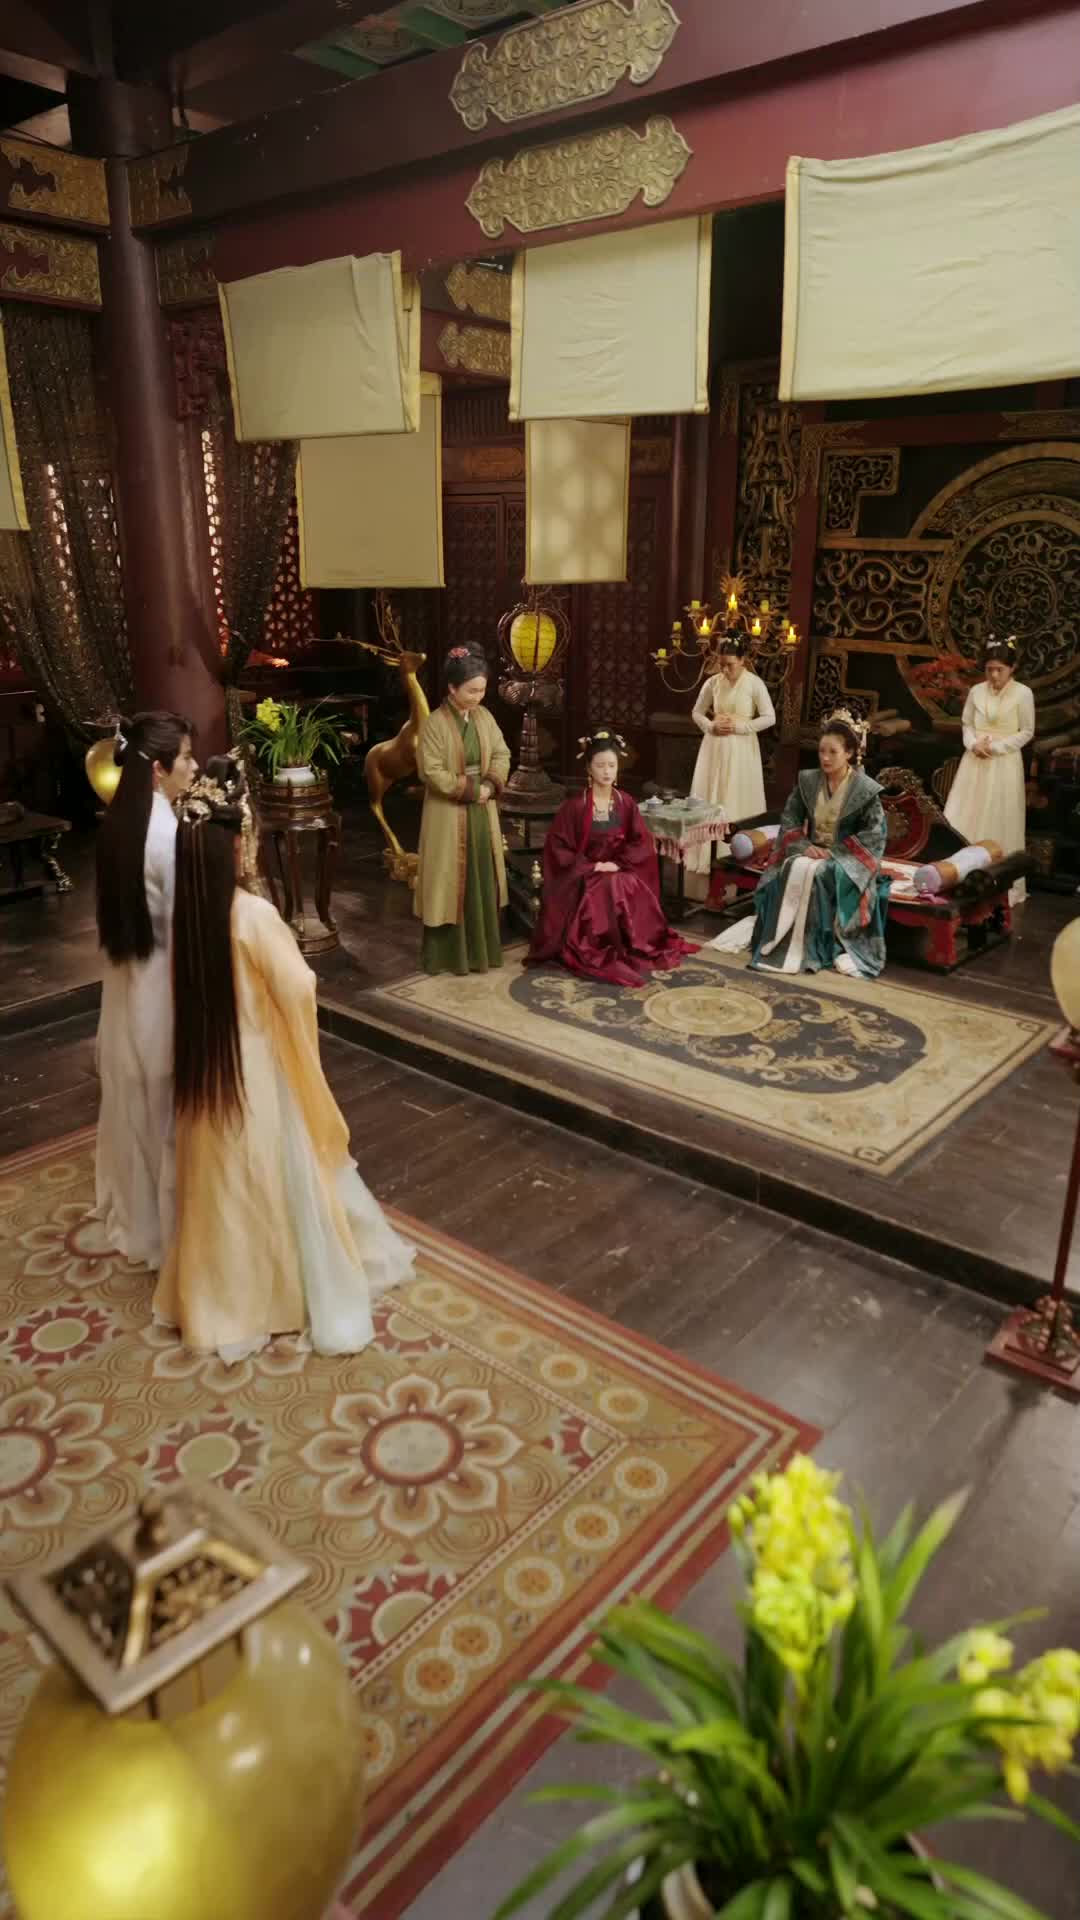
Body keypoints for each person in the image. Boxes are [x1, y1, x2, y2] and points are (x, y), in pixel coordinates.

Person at [154, 757, 413, 1361]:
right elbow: (299, 987)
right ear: (235, 845)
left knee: (217, 1182)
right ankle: (272, 1297)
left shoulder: (189, 914)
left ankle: (213, 1293)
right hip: (253, 1068)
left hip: (205, 1067)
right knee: (265, 1179)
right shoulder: (253, 915)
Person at [94, 710, 197, 1269]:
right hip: (162, 989)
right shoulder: (165, 836)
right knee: (165, 1111)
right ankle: (171, 1225)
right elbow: (186, 928)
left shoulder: (119, 822)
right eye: (186, 758)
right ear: (158, 768)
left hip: (127, 986)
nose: (193, 767)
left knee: (138, 1103)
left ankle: (140, 1210)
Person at [714, 710, 890, 977]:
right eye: (822, 751)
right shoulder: (808, 781)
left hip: (846, 860)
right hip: (809, 850)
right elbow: (789, 819)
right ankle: (783, 938)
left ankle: (814, 944)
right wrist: (803, 846)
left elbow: (874, 835)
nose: (825, 758)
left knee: (820, 873)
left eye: (833, 752)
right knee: (791, 866)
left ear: (849, 753)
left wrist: (835, 854)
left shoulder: (865, 789)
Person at [526, 726, 695, 987]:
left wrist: (617, 863)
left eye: (612, 766)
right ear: (589, 768)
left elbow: (640, 842)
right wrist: (592, 866)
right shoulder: (575, 806)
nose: (606, 771)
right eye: (600, 765)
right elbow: (559, 848)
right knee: (608, 887)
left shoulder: (625, 802)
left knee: (622, 883)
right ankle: (603, 945)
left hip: (619, 868)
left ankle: (630, 943)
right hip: (585, 874)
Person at [415, 647, 511, 976]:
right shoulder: (434, 724)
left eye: (482, 690)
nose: (478, 697)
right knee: (447, 882)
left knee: (482, 877)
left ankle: (482, 953)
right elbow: (431, 771)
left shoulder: (484, 717)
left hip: (483, 811)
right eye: (471, 691)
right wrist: (472, 790)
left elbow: (501, 753)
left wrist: (490, 785)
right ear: (452, 688)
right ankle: (447, 957)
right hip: (448, 813)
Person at [944, 635, 1034, 905]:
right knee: (965, 811)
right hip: (975, 760)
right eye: (989, 669)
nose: (994, 675)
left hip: (1003, 762)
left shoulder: (1023, 693)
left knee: (997, 815)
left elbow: (1027, 731)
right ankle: (954, 875)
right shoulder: (976, 691)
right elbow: (967, 724)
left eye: (1000, 670)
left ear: (1012, 668)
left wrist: (996, 747)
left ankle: (995, 882)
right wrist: (973, 744)